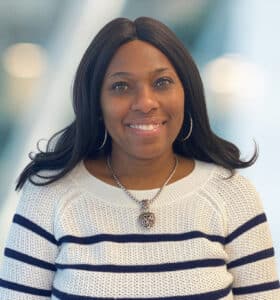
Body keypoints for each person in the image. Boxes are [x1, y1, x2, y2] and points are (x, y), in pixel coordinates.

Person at [0, 16, 279, 299]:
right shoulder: (49, 196)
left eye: (162, 82)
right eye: (121, 86)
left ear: (187, 93)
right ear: (96, 102)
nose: (145, 102)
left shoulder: (233, 195)